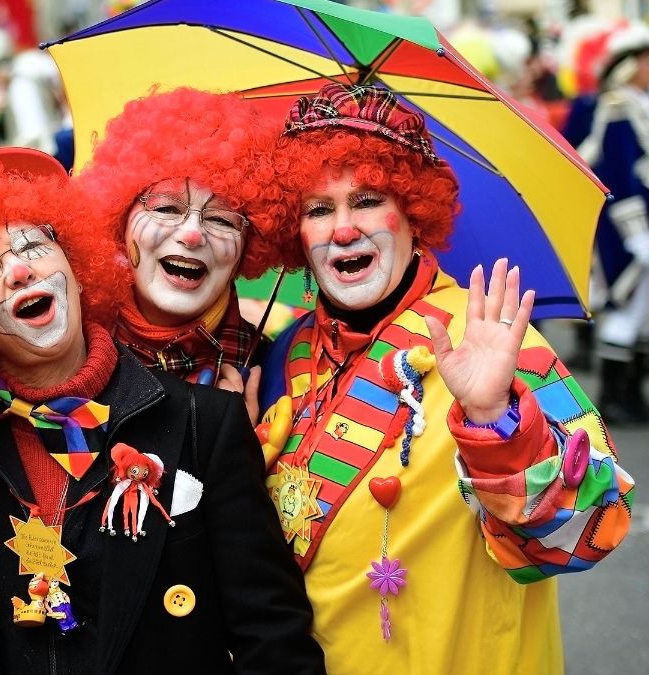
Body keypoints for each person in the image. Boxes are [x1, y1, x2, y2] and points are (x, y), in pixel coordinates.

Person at [255, 83, 635, 673]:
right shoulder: (285, 352)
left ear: (415, 212)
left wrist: (495, 422)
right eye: (319, 209)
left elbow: (592, 529)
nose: (343, 229)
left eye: (367, 200)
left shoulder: (495, 339)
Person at [0, 147, 324, 675]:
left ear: (79, 268)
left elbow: (273, 637)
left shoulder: (206, 421)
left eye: (33, 245)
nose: (18, 271)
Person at [77, 88, 277, 412]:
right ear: (119, 220)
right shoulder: (71, 348)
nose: (192, 234)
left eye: (221, 219)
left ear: (248, 246)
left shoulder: (274, 375)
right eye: (166, 208)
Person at [575, 24, 649, 424]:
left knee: (643, 312)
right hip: (627, 227)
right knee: (625, 306)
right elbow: (619, 173)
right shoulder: (619, 105)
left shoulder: (639, 103)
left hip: (640, 223)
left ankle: (633, 393)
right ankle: (614, 395)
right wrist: (636, 233)